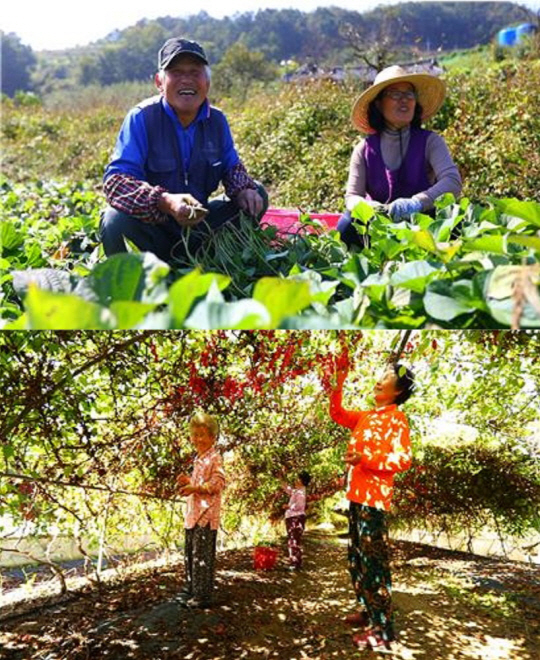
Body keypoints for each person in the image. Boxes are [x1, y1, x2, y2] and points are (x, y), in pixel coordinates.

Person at [100, 37, 268, 264]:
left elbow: (231, 167)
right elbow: (116, 182)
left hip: (202, 228)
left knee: (257, 193)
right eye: (176, 72)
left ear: (207, 82)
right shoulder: (142, 117)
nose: (186, 80)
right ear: (159, 82)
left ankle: (208, 256)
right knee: (114, 221)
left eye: (195, 72)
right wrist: (165, 201)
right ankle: (140, 280)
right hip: (154, 230)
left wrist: (243, 190)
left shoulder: (216, 121)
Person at [329, 359, 415, 652]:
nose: (380, 378)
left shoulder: (396, 419)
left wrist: (365, 459)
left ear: (398, 390)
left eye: (389, 376)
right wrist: (339, 378)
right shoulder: (366, 417)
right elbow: (336, 413)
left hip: (374, 501)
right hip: (355, 498)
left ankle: (383, 630)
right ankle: (368, 612)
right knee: (357, 561)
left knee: (374, 565)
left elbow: (403, 460)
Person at [337, 64, 462, 248]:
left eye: (409, 94)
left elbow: (452, 181)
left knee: (455, 223)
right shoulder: (363, 149)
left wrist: (416, 203)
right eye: (395, 94)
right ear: (379, 104)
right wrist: (370, 209)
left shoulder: (430, 141)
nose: (404, 100)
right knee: (346, 225)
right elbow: (352, 196)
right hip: (380, 225)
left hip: (422, 223)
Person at [177, 411, 226, 608]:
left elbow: (217, 483)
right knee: (190, 553)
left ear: (212, 437)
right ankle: (191, 588)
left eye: (202, 435)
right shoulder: (199, 459)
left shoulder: (215, 458)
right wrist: (188, 482)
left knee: (202, 556)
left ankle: (202, 596)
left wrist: (194, 487)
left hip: (206, 515)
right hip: (193, 514)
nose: (198, 439)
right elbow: (199, 484)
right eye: (195, 435)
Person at [281, 470, 311, 571]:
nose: (296, 480)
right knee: (293, 540)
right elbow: (288, 490)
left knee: (293, 540)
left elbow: (299, 506)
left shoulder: (301, 492)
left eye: (298, 478)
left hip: (295, 518)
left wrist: (288, 506)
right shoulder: (298, 491)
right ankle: (295, 562)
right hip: (293, 517)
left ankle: (294, 563)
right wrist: (281, 479)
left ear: (302, 481)